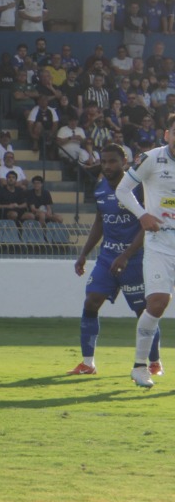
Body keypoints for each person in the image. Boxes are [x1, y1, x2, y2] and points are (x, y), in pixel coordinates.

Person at [73, 144, 160, 376]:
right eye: (104, 162)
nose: (107, 166)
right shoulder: (100, 188)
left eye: (112, 161)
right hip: (107, 257)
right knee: (91, 301)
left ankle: (154, 362)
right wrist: (83, 254)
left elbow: (147, 224)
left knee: (145, 312)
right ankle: (88, 363)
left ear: (124, 161)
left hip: (136, 258)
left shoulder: (138, 188)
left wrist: (127, 254)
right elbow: (100, 222)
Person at [115, 120, 175, 386]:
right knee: (158, 303)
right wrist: (142, 215)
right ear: (167, 134)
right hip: (159, 242)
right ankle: (141, 366)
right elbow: (122, 190)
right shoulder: (152, 158)